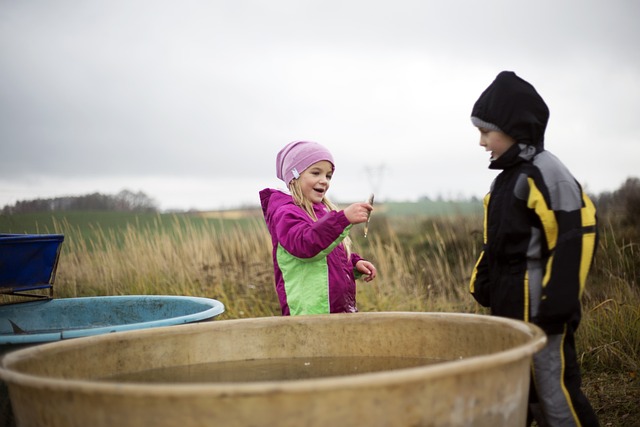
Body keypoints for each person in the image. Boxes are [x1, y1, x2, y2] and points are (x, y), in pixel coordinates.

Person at [468, 71, 600, 427]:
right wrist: (483, 281)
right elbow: (496, 243)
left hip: (543, 310)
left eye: (485, 132)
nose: (481, 142)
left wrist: (557, 303)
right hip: (509, 306)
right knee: (517, 392)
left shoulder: (546, 173)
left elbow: (577, 235)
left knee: (553, 392)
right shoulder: (504, 179)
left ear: (514, 127)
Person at [259, 140, 377, 315]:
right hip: (310, 314)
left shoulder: (323, 210)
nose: (324, 181)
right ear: (294, 176)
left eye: (328, 176)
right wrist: (342, 219)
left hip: (337, 310)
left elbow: (328, 254)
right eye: (316, 173)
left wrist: (353, 264)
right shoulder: (286, 214)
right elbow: (307, 245)